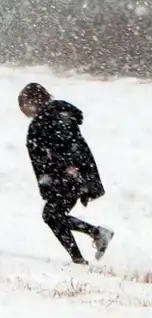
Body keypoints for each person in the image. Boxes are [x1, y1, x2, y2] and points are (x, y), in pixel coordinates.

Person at [19, 82, 114, 264]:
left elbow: (63, 148)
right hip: (71, 174)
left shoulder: (47, 119)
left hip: (68, 176)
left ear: (34, 101)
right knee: (53, 216)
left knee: (52, 215)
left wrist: (68, 170)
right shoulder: (56, 115)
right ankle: (84, 250)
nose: (23, 110)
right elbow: (66, 147)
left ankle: (93, 240)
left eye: (24, 105)